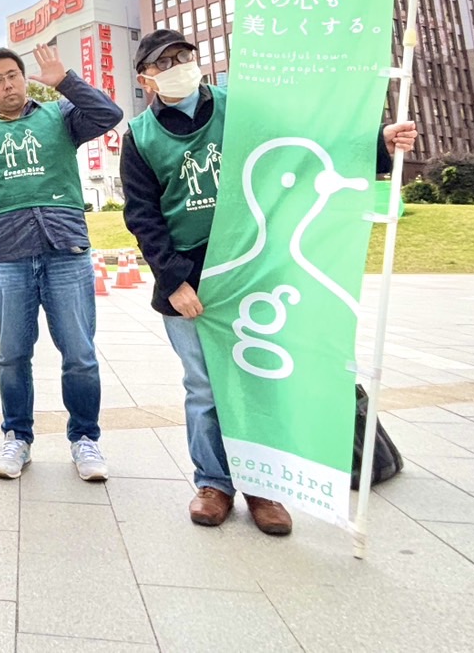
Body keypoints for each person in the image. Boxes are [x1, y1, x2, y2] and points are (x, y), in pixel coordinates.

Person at [120, 28, 418, 536]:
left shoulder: (241, 108)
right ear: (146, 78)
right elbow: (143, 216)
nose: (177, 66)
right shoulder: (141, 137)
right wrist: (173, 281)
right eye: (163, 62)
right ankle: (213, 483)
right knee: (205, 388)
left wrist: (377, 145)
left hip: (251, 265)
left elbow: (302, 146)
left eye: (183, 56)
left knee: (258, 380)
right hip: (191, 280)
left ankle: (264, 487)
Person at [0, 43, 123, 482]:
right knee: (11, 354)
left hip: (65, 248)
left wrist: (65, 80)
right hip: (9, 253)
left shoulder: (60, 115)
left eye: (13, 75)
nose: (6, 84)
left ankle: (85, 439)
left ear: (24, 77)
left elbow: (109, 115)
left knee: (80, 354)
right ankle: (17, 437)